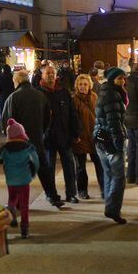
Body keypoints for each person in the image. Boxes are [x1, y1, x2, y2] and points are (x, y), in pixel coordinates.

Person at [3, 70, 59, 207]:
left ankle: (18, 202)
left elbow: (9, 121)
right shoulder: (41, 96)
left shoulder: (13, 97)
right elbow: (48, 118)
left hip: (19, 142)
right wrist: (41, 131)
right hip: (37, 139)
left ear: (17, 81)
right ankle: (53, 196)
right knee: (44, 169)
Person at [38, 65, 81, 203]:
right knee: (49, 168)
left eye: (52, 73)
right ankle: (51, 194)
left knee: (69, 165)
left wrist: (76, 132)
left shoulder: (63, 92)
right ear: (42, 75)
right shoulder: (38, 93)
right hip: (47, 137)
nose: (50, 75)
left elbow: (72, 114)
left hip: (64, 135)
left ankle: (71, 193)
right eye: (47, 73)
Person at [94, 67, 129, 224]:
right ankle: (113, 209)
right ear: (112, 79)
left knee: (108, 173)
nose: (122, 81)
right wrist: (119, 143)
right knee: (119, 176)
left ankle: (109, 204)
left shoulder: (105, 91)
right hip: (110, 137)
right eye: (119, 78)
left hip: (101, 135)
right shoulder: (112, 94)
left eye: (123, 78)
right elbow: (114, 122)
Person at [0, 119, 39, 238]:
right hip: (24, 178)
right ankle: (24, 229)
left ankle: (11, 208)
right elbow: (36, 161)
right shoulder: (28, 147)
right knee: (24, 205)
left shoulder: (5, 148)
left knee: (12, 198)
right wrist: (33, 172)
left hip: (11, 179)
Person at [72, 74, 104, 200]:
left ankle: (104, 189)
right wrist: (75, 135)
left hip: (95, 136)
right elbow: (72, 119)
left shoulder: (95, 97)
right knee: (80, 167)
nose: (83, 87)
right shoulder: (73, 100)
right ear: (76, 86)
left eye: (85, 84)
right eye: (80, 84)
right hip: (80, 138)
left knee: (100, 165)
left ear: (90, 85)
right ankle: (82, 190)